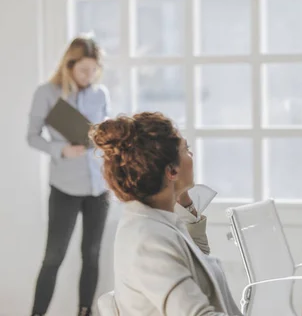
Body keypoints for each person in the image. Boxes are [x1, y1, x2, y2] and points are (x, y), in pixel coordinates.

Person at [90, 112, 241, 316]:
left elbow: (200, 258)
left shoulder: (157, 218)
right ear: (172, 171)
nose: (192, 156)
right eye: (186, 150)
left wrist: (182, 197)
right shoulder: (149, 240)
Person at [27, 37, 111, 316]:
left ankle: (84, 312)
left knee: (92, 255)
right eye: (84, 70)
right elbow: (32, 136)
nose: (89, 76)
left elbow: (106, 137)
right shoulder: (47, 93)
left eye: (94, 71)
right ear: (69, 65)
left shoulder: (100, 95)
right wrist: (61, 149)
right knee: (53, 257)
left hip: (98, 188)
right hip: (65, 187)